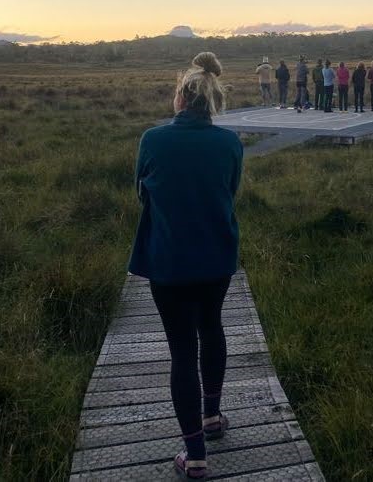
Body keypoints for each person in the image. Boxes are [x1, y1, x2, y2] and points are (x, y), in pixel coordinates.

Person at [128, 52, 243, 480]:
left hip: (169, 259)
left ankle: (195, 455)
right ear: (212, 99)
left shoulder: (152, 140)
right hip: (217, 256)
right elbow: (229, 192)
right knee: (212, 328)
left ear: (180, 97)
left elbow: (143, 194)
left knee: (181, 351)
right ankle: (213, 417)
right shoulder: (230, 142)